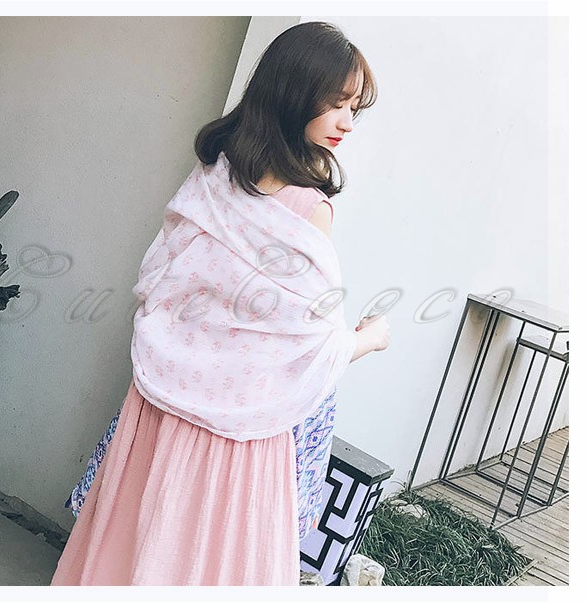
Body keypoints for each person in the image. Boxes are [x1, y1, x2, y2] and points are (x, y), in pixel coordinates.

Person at [50, 20, 390, 587]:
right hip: (238, 435)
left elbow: (162, 285)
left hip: (159, 408)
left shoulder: (213, 177)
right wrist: (370, 337)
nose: (347, 123)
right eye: (336, 104)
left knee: (131, 552)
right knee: (212, 565)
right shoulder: (309, 209)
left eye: (354, 108)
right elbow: (312, 346)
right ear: (293, 93)